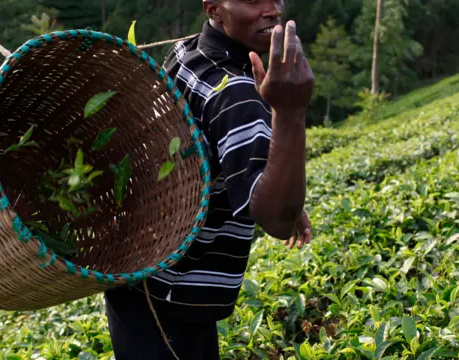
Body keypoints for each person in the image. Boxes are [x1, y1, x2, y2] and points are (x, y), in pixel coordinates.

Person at [103, 0, 314, 358]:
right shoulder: (236, 92)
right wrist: (291, 111)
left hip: (137, 275)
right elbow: (277, 219)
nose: (272, 9)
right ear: (215, 9)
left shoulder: (188, 52)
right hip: (173, 300)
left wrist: (271, 179)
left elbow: (201, 150)